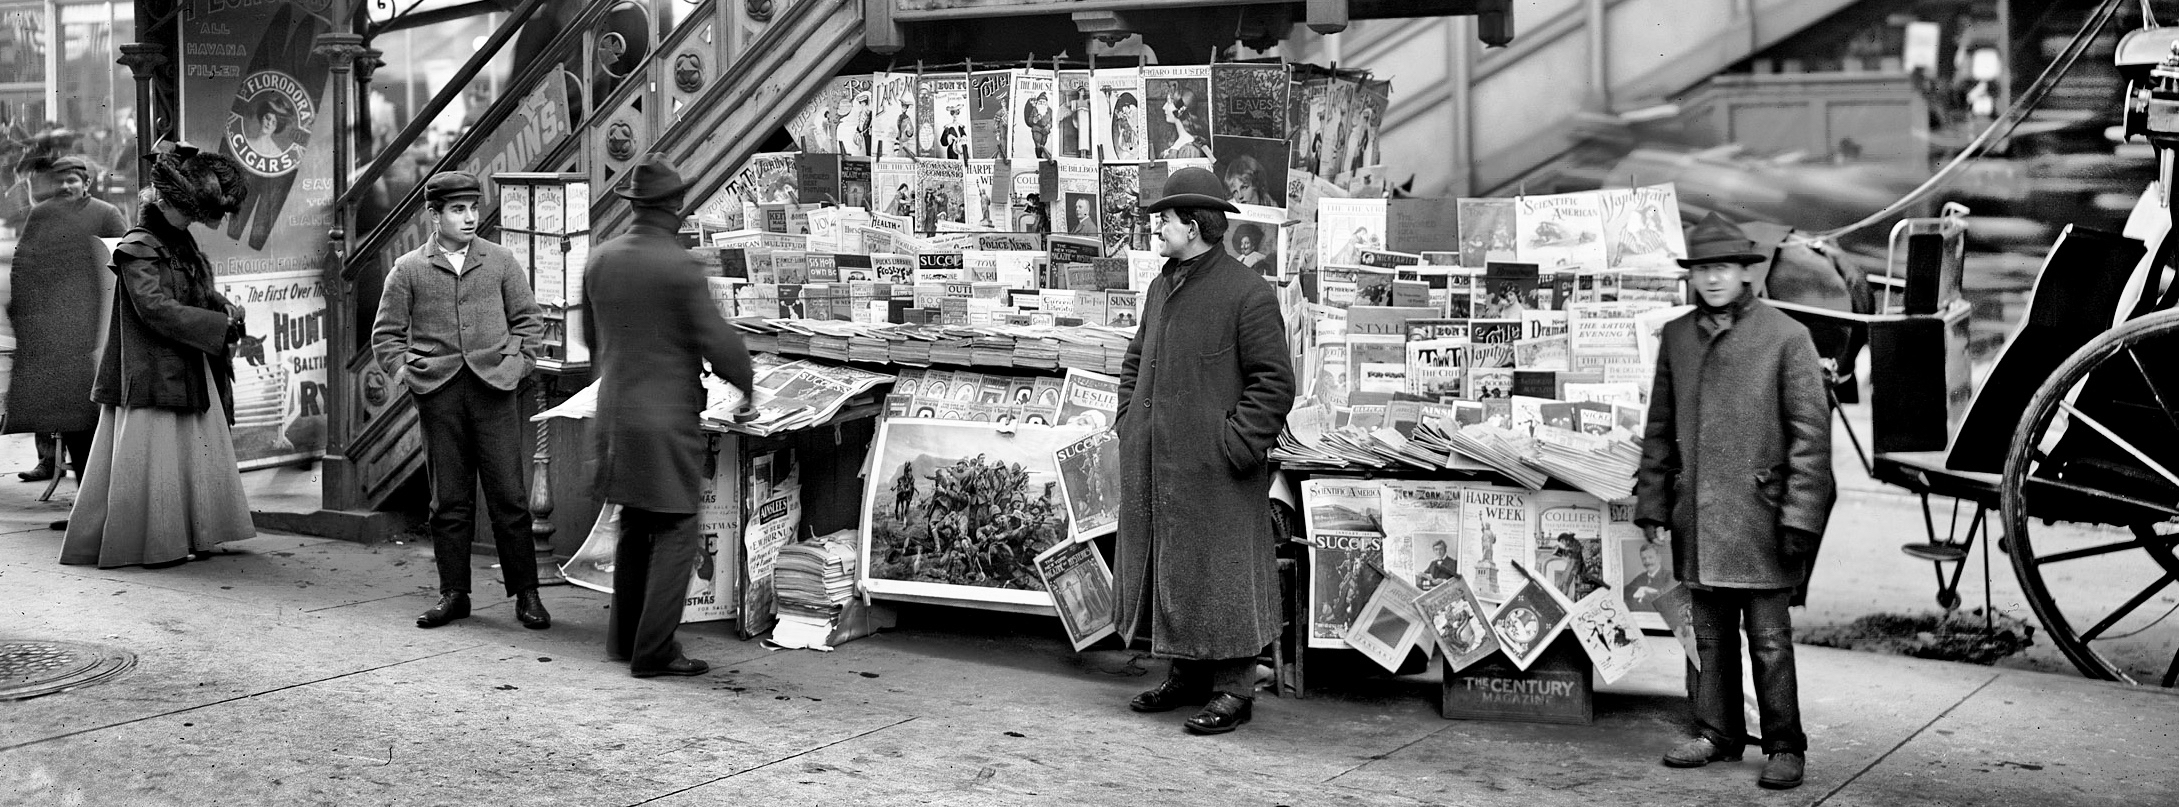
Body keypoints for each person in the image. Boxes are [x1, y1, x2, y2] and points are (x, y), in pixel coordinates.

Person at [1636, 212, 1836, 791]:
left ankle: (1784, 744)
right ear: (1691, 276)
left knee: (1770, 642)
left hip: (1763, 522)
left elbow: (1810, 440)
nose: (1713, 279)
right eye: (1702, 269)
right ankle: (1716, 733)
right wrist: (1652, 502)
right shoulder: (1677, 337)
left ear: (1747, 272)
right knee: (1708, 636)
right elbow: (1660, 428)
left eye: (1723, 268)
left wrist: (1800, 517)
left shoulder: (1786, 337)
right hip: (1698, 516)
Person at [1113, 167, 1295, 735]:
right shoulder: (1161, 285)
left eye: (1164, 218)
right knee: (1175, 570)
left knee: (1221, 576)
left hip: (1217, 472)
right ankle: (1186, 676)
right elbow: (1135, 361)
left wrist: (1233, 447)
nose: (1156, 226)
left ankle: (1234, 690)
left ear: (1193, 225)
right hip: (1157, 464)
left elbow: (1274, 385)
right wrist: (1128, 421)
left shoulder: (1248, 294)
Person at [583, 153, 757, 679]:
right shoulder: (680, 267)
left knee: (635, 522)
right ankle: (654, 651)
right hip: (665, 418)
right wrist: (745, 385)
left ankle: (624, 640)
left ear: (635, 205)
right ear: (676, 208)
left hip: (614, 413)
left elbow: (594, 342)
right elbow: (716, 339)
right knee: (679, 530)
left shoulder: (599, 259)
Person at [59, 143, 254, 569]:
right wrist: (217, 327)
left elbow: (190, 290)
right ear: (164, 203)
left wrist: (219, 305)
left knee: (184, 455)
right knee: (159, 460)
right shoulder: (137, 245)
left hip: (179, 365)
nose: (194, 222)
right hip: (150, 373)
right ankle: (158, 544)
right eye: (190, 214)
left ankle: (188, 535)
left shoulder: (176, 239)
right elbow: (154, 309)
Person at [372, 171, 551, 631]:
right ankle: (454, 594)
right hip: (440, 395)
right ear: (434, 215)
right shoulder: (408, 269)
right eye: (457, 210)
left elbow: (530, 323)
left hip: (495, 391)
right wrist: (408, 377)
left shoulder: (500, 262)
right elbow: (386, 336)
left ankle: (526, 594)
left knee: (509, 496)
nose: (469, 218)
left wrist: (515, 366)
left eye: (473, 208)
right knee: (447, 500)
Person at [6, 156, 126, 487]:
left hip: (89, 334)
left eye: (72, 179)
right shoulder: (41, 214)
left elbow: (120, 263)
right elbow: (21, 263)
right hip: (48, 332)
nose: (65, 186)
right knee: (53, 406)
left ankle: (91, 499)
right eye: (60, 180)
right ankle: (48, 460)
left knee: (84, 415)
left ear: (86, 183)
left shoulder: (106, 214)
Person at [1157, 88, 1210, 160]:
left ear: (1180, 110)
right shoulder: (1180, 142)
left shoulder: (1189, 150)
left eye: (1169, 103)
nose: (1164, 107)